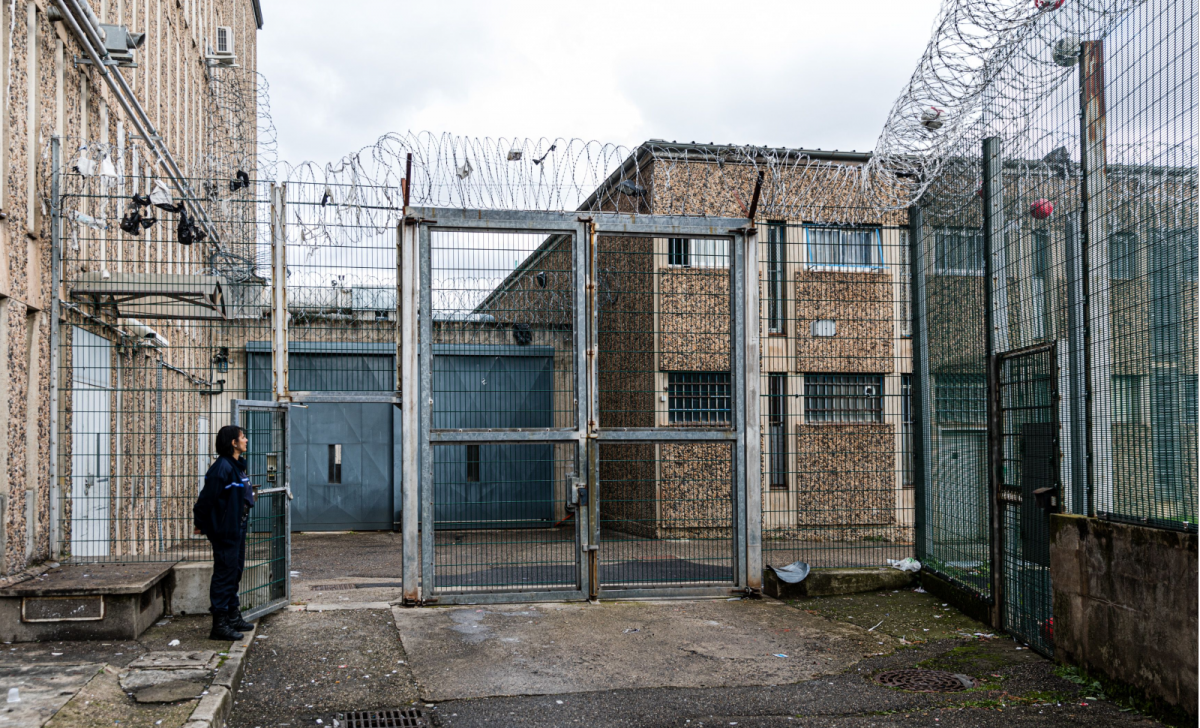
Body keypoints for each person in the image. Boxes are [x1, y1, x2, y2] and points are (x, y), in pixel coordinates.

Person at [193, 425, 257, 640]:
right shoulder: (222, 468)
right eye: (243, 437)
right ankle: (219, 625)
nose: (246, 440)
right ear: (233, 442)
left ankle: (232, 615)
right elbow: (206, 499)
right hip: (225, 530)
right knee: (224, 574)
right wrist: (200, 523)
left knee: (235, 571)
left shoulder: (236, 466)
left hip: (237, 527)